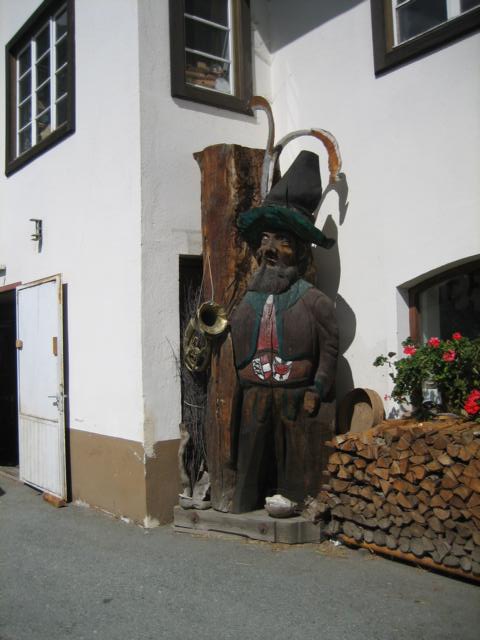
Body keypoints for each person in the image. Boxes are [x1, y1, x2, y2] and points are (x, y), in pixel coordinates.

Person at [230, 150, 338, 513]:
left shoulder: (314, 301)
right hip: (253, 392)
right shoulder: (247, 300)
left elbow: (330, 348)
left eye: (283, 241)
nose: (270, 250)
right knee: (251, 449)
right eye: (265, 239)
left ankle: (292, 500)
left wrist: (318, 388)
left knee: (294, 453)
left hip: (294, 393)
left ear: (302, 252)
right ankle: (244, 499)